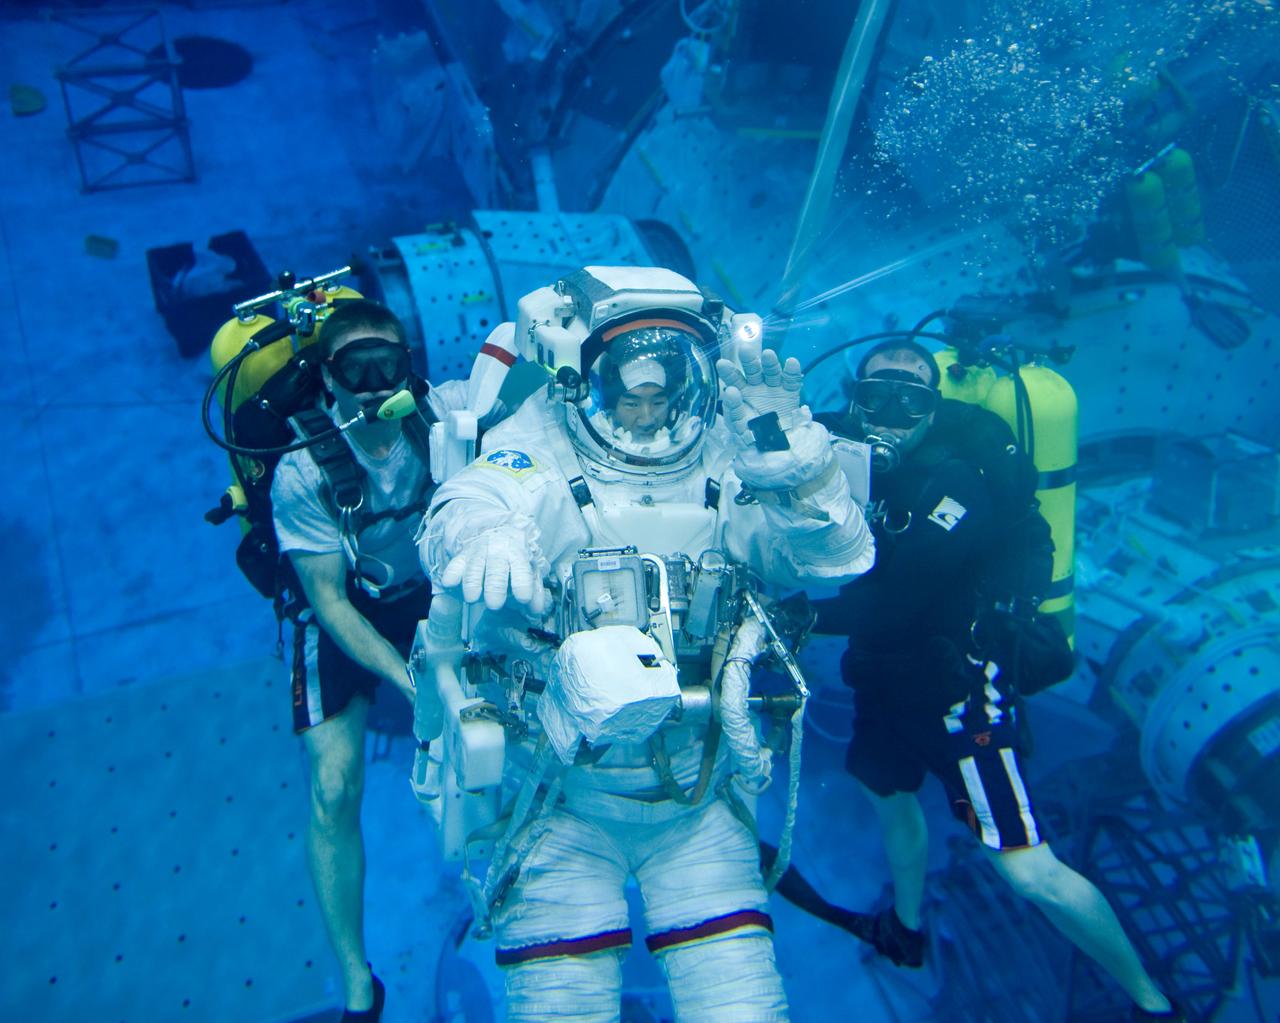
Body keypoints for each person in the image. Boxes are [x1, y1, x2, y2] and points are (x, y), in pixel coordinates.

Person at [417, 266, 874, 1022]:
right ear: (582, 379)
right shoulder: (542, 443)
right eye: (626, 394)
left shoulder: (737, 454)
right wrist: (484, 531)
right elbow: (475, 496)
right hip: (561, 798)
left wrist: (801, 477)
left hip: (697, 798)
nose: (643, 411)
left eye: (662, 392)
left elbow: (836, 558)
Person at [812, 337, 1183, 1022]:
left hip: (959, 693)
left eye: (911, 399)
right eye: (876, 395)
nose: (891, 413)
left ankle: (1155, 1002)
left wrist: (792, 614)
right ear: (853, 397)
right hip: (884, 679)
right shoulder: (838, 449)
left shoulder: (960, 482)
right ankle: (908, 924)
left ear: (934, 408)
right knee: (888, 797)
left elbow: (898, 594)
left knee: (1027, 868)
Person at [271, 299, 482, 1021]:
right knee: (333, 785)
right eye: (351, 368)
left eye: (384, 364)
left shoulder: (444, 414)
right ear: (327, 380)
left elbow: (521, 383)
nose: (370, 384)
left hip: (425, 587)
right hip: (341, 604)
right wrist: (408, 676)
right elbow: (328, 602)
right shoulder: (301, 470)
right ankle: (360, 981)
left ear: (409, 366)